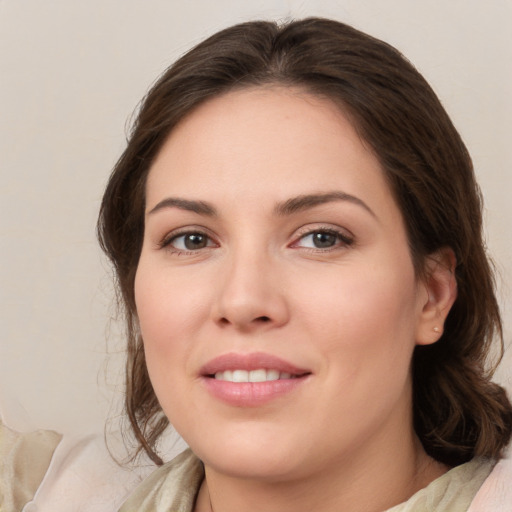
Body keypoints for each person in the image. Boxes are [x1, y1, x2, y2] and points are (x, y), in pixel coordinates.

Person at [96, 18, 512, 512]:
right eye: (191, 239)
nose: (244, 301)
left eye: (320, 238)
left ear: (432, 294)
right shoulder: (37, 492)